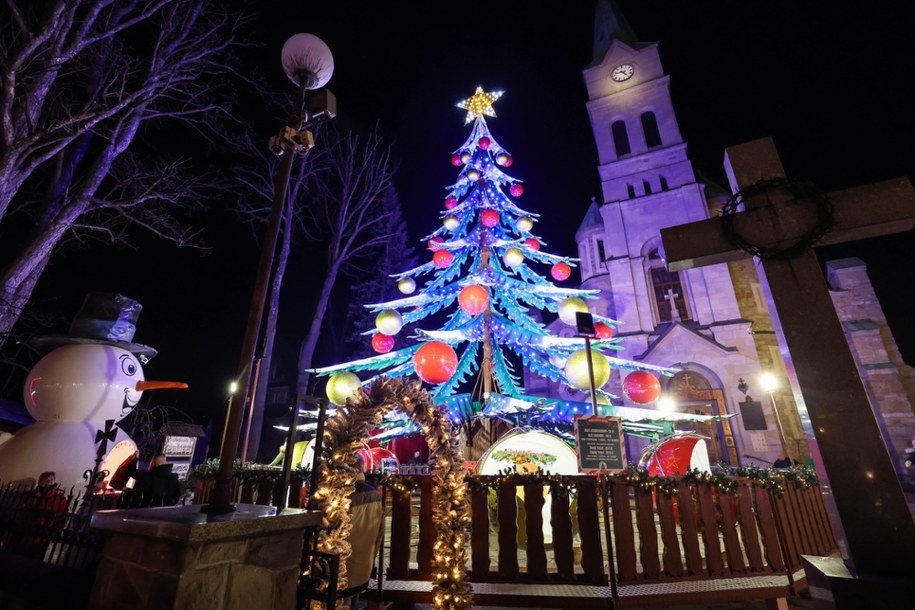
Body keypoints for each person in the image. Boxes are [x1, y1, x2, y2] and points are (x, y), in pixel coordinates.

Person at [341, 453, 384, 605]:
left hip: (342, 569)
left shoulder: (344, 495)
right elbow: (379, 533)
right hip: (363, 566)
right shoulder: (375, 494)